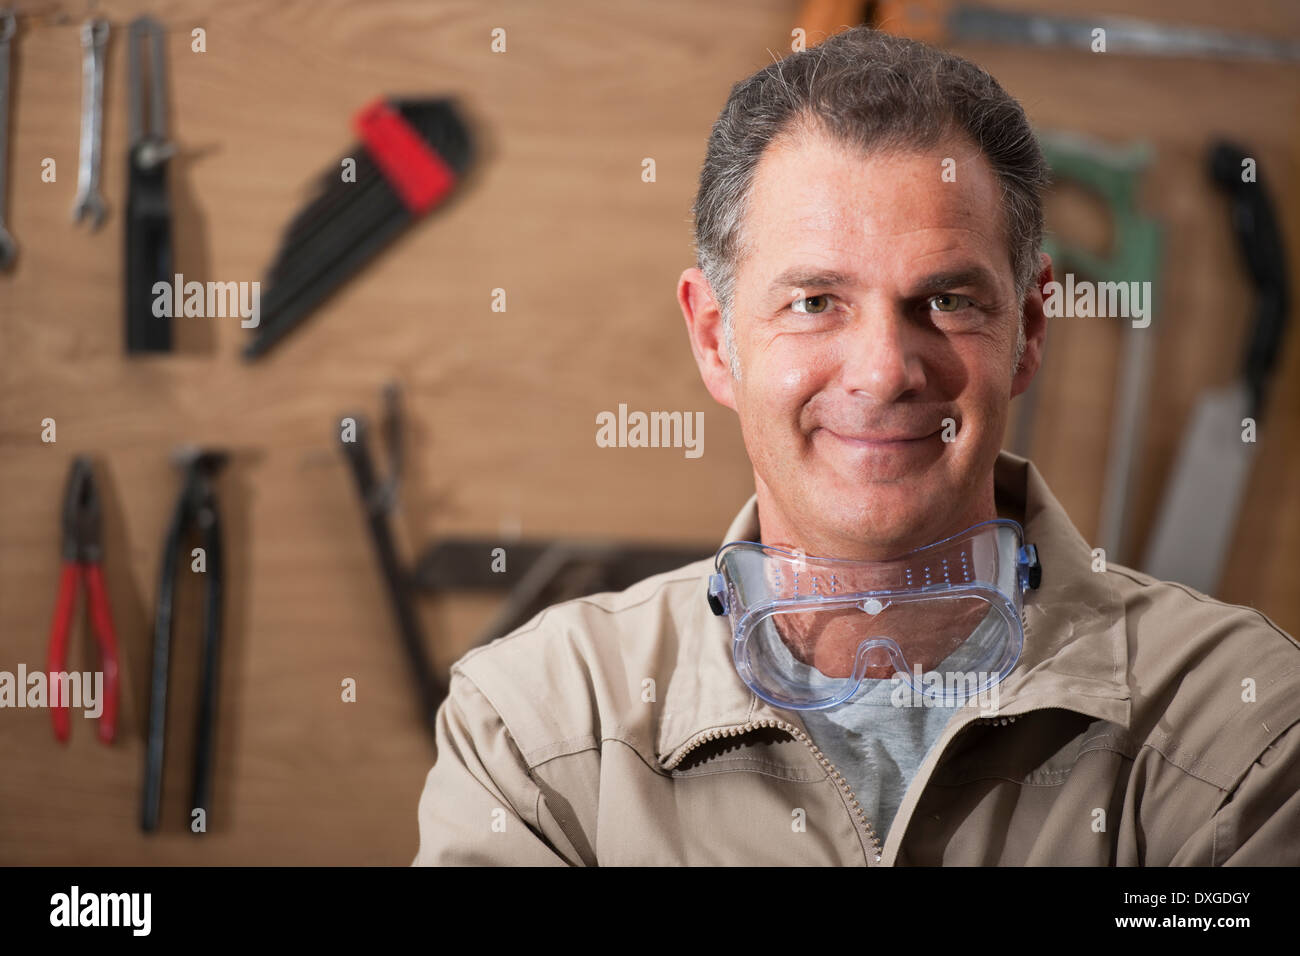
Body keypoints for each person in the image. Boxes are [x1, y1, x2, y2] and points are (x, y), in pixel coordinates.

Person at [413, 26, 1300, 866]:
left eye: (946, 301)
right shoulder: (539, 730)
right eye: (814, 302)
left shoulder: (1241, 726)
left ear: (1029, 331)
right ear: (716, 338)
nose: (882, 373)